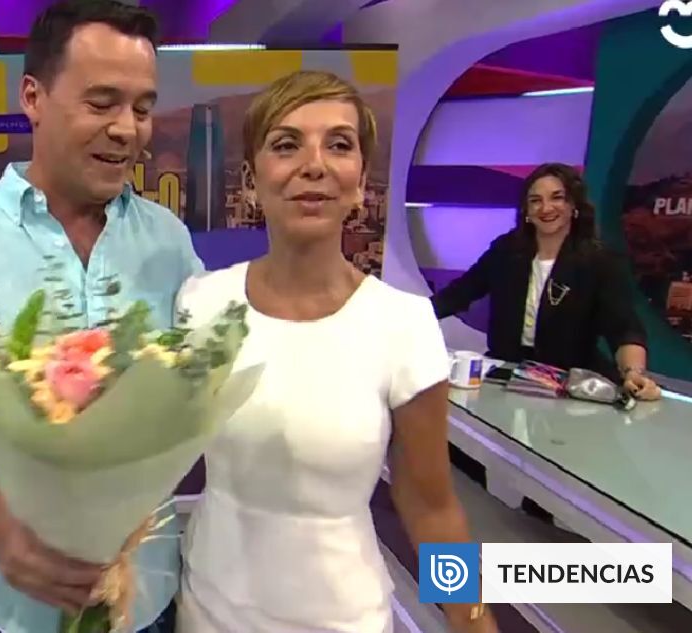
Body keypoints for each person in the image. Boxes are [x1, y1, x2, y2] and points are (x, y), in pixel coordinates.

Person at [0, 2, 202, 631]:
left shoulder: (170, 243)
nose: (127, 129)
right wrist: (4, 527)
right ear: (33, 97)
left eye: (142, 108)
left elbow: (193, 386)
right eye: (102, 103)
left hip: (146, 597)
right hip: (1, 609)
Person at [174, 71, 495, 633]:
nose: (314, 164)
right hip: (208, 611)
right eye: (286, 144)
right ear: (251, 181)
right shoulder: (201, 302)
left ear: (361, 181)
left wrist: (473, 620)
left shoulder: (403, 323)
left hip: (342, 618)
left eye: (339, 144)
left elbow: (433, 509)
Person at [431, 163, 661, 401]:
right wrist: (413, 317)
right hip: (506, 377)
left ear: (573, 205)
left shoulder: (600, 261)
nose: (546, 208)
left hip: (570, 386)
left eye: (557, 198)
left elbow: (624, 329)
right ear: (526, 211)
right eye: (535, 201)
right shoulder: (506, 251)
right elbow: (460, 293)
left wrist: (634, 374)